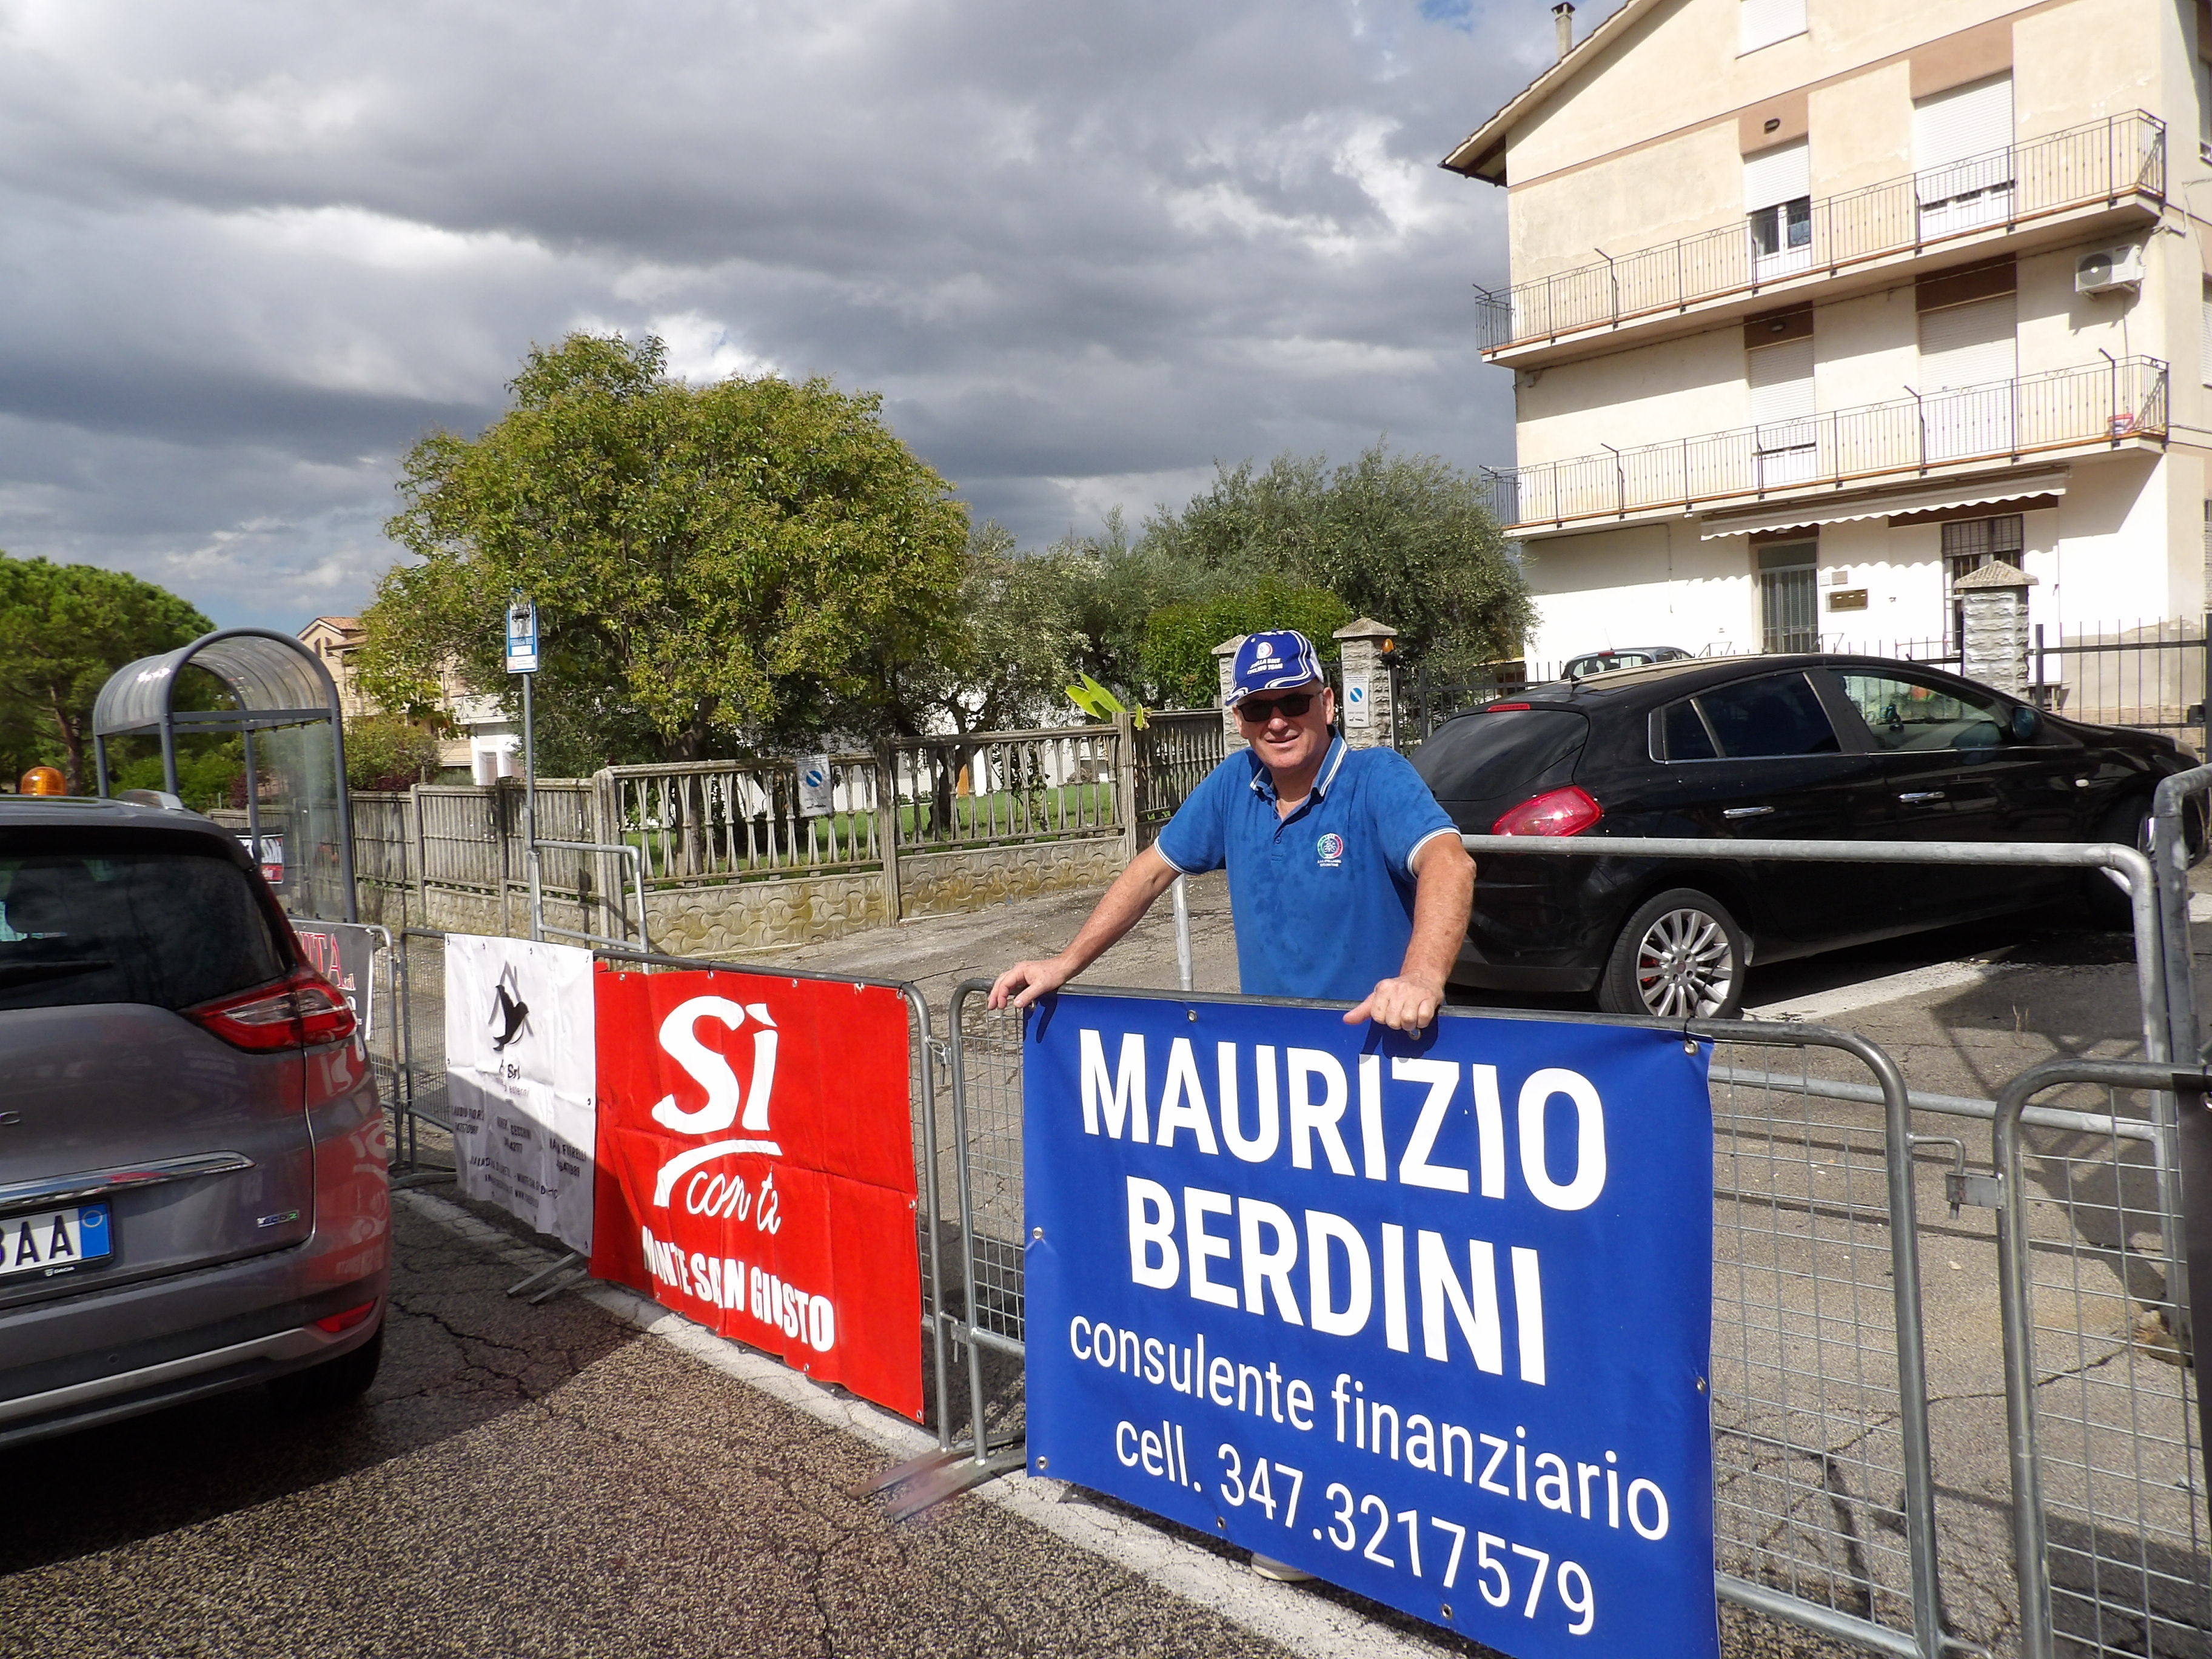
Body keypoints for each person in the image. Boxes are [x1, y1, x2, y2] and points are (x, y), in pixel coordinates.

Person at [988, 629, 1475, 1030]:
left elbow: (1449, 863)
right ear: (1239, 720)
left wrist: (1421, 978)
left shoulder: (1377, 776)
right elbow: (1150, 873)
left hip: (1379, 1044)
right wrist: (1064, 963)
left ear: (1327, 704)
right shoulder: (1233, 783)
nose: (1277, 722)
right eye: (1259, 709)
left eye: (1294, 702)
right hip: (1269, 1056)